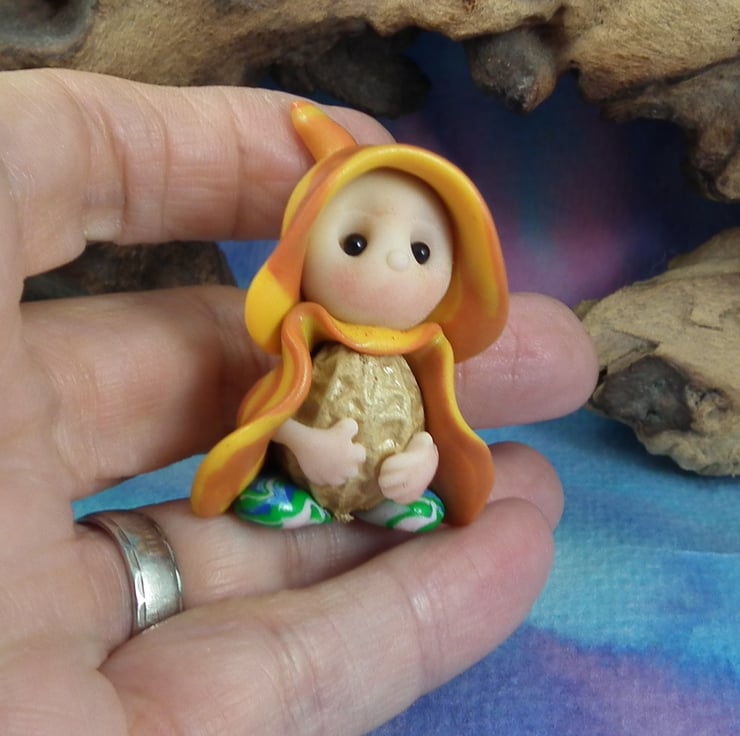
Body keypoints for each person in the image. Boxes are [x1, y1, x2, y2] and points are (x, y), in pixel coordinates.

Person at [0, 68, 597, 735]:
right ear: (304, 253)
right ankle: (311, 503)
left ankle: (388, 505)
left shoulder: (425, 358)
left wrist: (419, 462)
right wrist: (309, 446)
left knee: (428, 511)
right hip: (306, 481)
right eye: (356, 243)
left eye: (421, 249)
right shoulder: (304, 345)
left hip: (380, 491)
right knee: (262, 501)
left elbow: (435, 427)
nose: (393, 264)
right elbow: (272, 417)